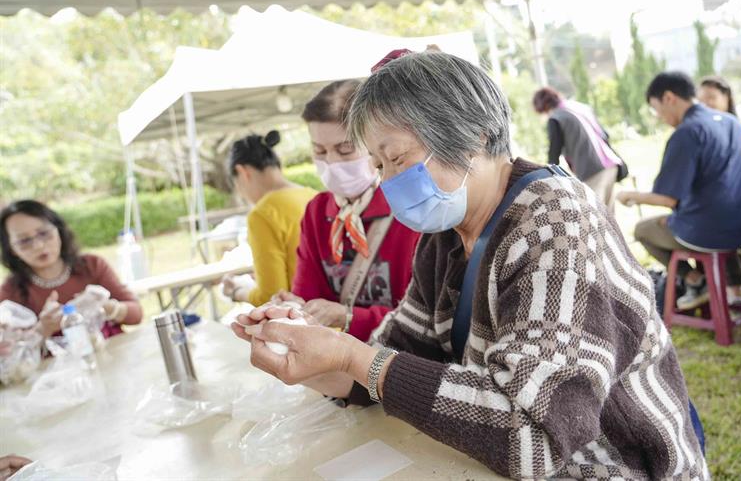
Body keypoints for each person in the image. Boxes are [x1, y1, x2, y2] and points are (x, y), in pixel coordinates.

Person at [232, 51, 708, 480]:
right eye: (379, 166)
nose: (389, 183)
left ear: (472, 134)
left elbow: (534, 437)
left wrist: (353, 358)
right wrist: (312, 357)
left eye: (397, 158)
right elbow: (399, 353)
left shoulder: (556, 222)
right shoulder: (443, 237)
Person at [268, 80, 420, 342]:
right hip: (340, 361)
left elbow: (424, 319)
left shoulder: (410, 206)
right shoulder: (317, 213)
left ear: (373, 145)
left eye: (345, 149)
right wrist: (294, 307)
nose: (332, 162)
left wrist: (348, 317)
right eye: (320, 151)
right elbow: (308, 294)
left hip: (401, 362)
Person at [617, 72, 741, 309]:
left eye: (656, 109)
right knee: (702, 217)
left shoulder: (687, 133)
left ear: (668, 98)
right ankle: (731, 290)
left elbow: (667, 198)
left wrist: (629, 196)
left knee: (643, 230)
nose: (660, 117)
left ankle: (696, 281)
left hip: (714, 230)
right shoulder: (731, 121)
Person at [0, 200, 143, 339]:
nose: (38, 245)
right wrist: (42, 330)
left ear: (58, 230)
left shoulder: (91, 265)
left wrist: (109, 308)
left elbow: (136, 314)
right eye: (24, 241)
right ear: (11, 249)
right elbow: (7, 351)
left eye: (44, 233)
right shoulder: (10, 292)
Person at [221, 130, 317, 305]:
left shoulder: (262, 214)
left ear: (242, 172)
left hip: (306, 321)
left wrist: (237, 291)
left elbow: (272, 296)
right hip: (337, 321)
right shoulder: (314, 196)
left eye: (237, 186)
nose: (243, 195)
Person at [532, 87, 626, 210]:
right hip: (610, 164)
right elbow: (605, 134)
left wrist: (547, 177)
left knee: (595, 217)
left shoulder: (556, 118)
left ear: (543, 107)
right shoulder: (579, 107)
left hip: (592, 171)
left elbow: (554, 152)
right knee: (610, 217)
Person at [698, 75, 741, 165]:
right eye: (701, 100)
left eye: (711, 97)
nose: (706, 104)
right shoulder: (697, 132)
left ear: (726, 98)